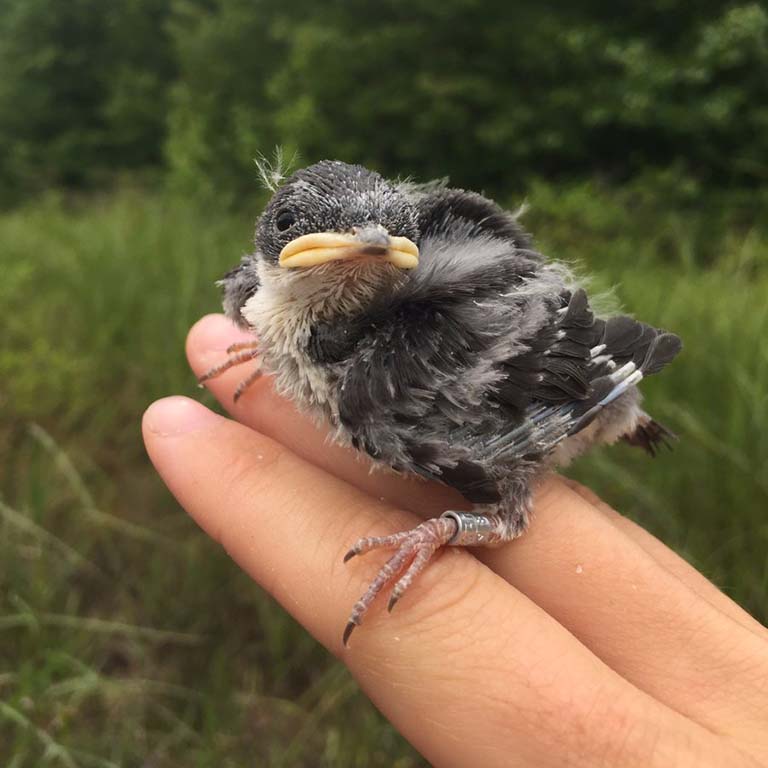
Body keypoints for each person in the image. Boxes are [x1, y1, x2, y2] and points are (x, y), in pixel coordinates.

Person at [142, 314, 768, 767]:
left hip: (580, 395)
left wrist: (442, 528)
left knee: (497, 491)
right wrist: (290, 353)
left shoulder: (436, 353)